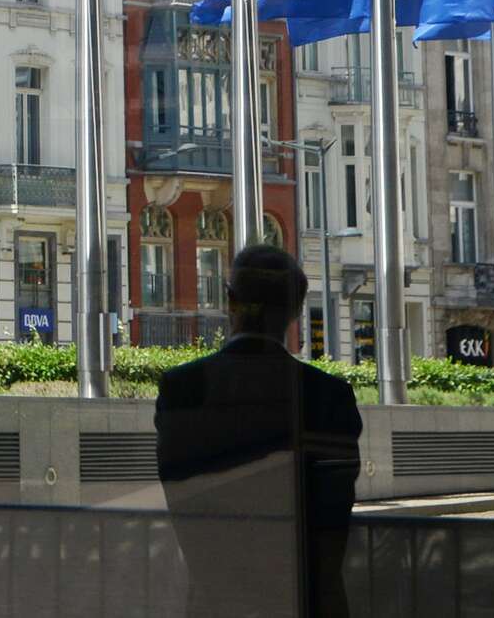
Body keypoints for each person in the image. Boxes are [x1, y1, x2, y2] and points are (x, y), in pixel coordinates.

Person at [155, 244, 362, 618]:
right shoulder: (330, 397)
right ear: (296, 311)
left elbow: (187, 510)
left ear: (230, 300)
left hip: (217, 605)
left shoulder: (181, 388)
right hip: (306, 603)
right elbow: (330, 527)